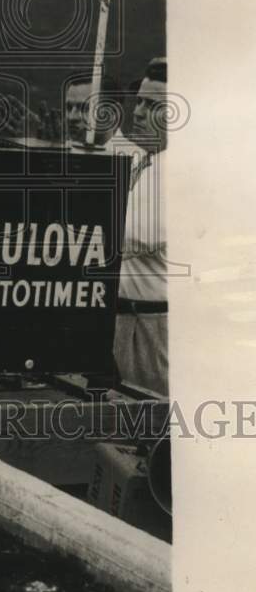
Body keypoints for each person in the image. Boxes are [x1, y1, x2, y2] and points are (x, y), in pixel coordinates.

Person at [113, 58, 169, 396]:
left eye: (152, 105)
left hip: (152, 324)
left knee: (157, 421)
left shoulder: (173, 172)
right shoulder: (147, 161)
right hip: (129, 316)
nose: (137, 112)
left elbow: (122, 238)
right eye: (139, 102)